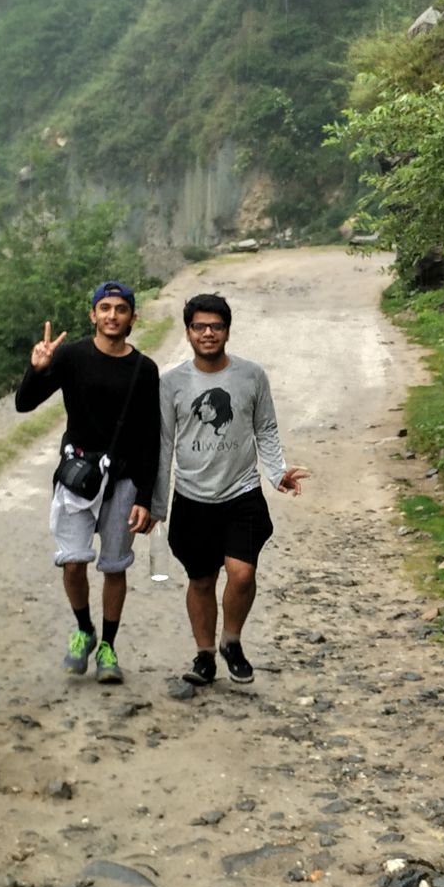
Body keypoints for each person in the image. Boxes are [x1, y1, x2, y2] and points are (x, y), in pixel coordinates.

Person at [152, 292, 307, 686]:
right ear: (188, 332)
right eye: (200, 326)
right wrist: (156, 505)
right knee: (201, 580)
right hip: (191, 497)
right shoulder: (170, 384)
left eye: (216, 326)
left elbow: (265, 427)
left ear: (227, 331)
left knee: (241, 573)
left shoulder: (251, 375)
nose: (208, 333)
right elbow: (163, 445)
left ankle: (231, 641)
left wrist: (277, 473)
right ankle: (204, 655)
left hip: (241, 493)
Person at [15, 281, 160, 684]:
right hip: (78, 475)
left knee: (114, 566)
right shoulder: (72, 356)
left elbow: (151, 437)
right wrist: (38, 368)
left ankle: (109, 646)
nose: (112, 315)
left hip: (125, 479)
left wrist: (146, 497)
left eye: (121, 309)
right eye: (105, 308)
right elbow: (24, 403)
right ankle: (84, 629)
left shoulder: (144, 370)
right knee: (73, 560)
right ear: (92, 315)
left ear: (133, 317)